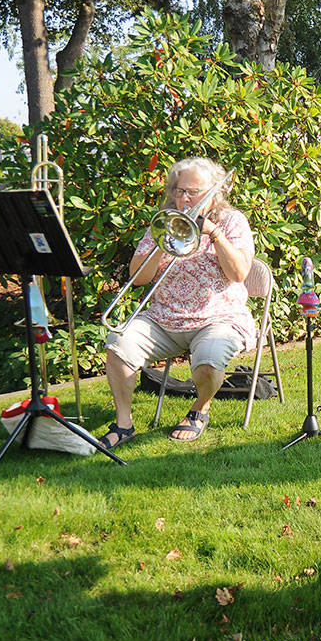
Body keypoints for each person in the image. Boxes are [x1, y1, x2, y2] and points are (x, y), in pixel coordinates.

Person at [99, 157, 257, 447]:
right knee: (118, 345)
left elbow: (239, 273)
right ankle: (123, 424)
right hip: (163, 319)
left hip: (218, 318)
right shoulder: (166, 221)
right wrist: (162, 244)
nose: (184, 198)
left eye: (192, 192)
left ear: (213, 192)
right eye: (179, 190)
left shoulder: (233, 221)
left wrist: (215, 234)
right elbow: (138, 278)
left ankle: (200, 409)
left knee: (208, 363)